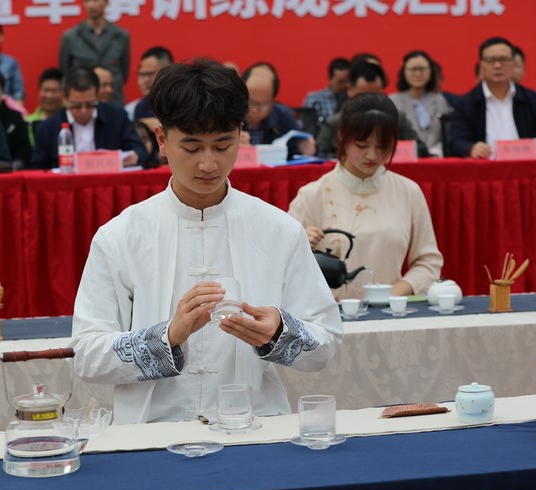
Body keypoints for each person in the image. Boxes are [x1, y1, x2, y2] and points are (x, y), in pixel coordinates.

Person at [70, 58, 341, 425]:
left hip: (253, 426)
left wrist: (279, 331)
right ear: (162, 140)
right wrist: (168, 336)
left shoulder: (279, 229)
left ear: (240, 135)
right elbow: (86, 354)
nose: (209, 164)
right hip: (152, 432)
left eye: (223, 145)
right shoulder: (120, 236)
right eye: (192, 148)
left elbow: (326, 344)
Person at [290, 93, 442, 297]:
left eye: (383, 146)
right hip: (330, 313)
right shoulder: (312, 196)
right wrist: (300, 247)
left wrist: (392, 294)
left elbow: (428, 261)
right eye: (361, 145)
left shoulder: (408, 192)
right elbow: (283, 266)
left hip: (391, 310)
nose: (372, 155)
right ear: (342, 136)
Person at [449, 37, 536, 159]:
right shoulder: (466, 103)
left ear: (513, 64)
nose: (498, 65)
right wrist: (471, 148)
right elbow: (457, 141)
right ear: (481, 65)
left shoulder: (531, 99)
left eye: (504, 59)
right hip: (485, 167)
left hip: (526, 165)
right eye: (491, 60)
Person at [30, 67, 146, 169]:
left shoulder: (117, 117)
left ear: (97, 95)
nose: (84, 111)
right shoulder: (47, 128)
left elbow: (140, 151)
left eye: (90, 104)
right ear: (65, 99)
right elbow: (37, 168)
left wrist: (134, 156)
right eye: (76, 106)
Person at [316, 60, 428, 158]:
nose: (371, 102)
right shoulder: (335, 123)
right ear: (350, 89)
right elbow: (319, 155)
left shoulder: (397, 119)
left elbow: (421, 150)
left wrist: (389, 149)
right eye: (364, 95)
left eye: (376, 94)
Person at [59, 0, 130, 106]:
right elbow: (65, 73)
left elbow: (123, 73)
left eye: (95, 0)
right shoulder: (70, 37)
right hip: (82, 105)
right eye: (87, 1)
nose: (91, 5)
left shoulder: (121, 36)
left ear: (106, 2)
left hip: (113, 102)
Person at [241, 62, 316, 159]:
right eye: (249, 102)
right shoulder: (230, 116)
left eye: (261, 104)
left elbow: (298, 152)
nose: (254, 109)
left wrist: (309, 150)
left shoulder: (284, 117)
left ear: (273, 101)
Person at [390, 50, 450, 156]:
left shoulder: (440, 100)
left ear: (431, 71)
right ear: (404, 72)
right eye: (413, 69)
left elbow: (446, 134)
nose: (418, 74)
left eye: (422, 69)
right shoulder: (393, 100)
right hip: (405, 157)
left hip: (437, 157)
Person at [128, 46, 174, 122]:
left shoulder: (186, 104)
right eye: (142, 74)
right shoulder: (132, 111)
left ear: (168, 73)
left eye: (150, 74)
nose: (146, 80)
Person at [302, 57, 350, 124]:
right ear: (329, 78)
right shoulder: (314, 99)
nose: (345, 85)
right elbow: (309, 127)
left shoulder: (352, 98)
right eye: (340, 82)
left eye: (348, 81)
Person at [25, 67, 65, 145]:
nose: (49, 96)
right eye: (45, 90)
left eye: (54, 91)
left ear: (63, 93)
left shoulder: (70, 119)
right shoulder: (27, 122)